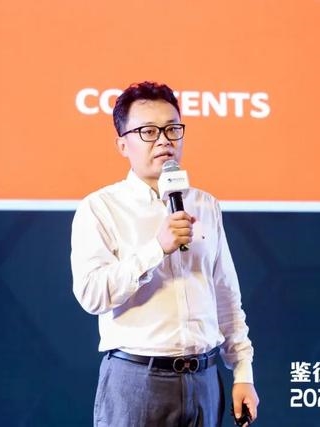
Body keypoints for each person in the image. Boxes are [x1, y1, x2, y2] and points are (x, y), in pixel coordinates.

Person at [71, 81, 259, 426]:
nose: (164, 140)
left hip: (205, 379)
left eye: (172, 129)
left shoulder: (204, 204)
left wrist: (242, 372)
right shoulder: (100, 207)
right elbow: (92, 294)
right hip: (137, 380)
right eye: (148, 131)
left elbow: (226, 297)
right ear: (122, 144)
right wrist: (156, 249)